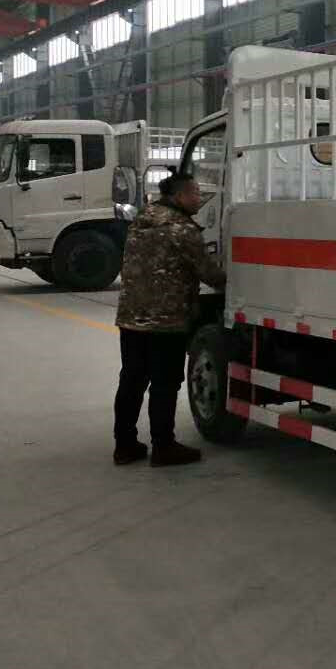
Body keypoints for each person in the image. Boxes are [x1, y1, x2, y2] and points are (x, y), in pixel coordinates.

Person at [113, 173, 225, 466]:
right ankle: (163, 446)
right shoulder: (182, 229)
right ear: (179, 197)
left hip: (131, 317)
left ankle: (124, 445)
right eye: (195, 193)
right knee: (164, 383)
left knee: (132, 380)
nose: (199, 199)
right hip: (167, 320)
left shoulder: (141, 221)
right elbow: (209, 273)